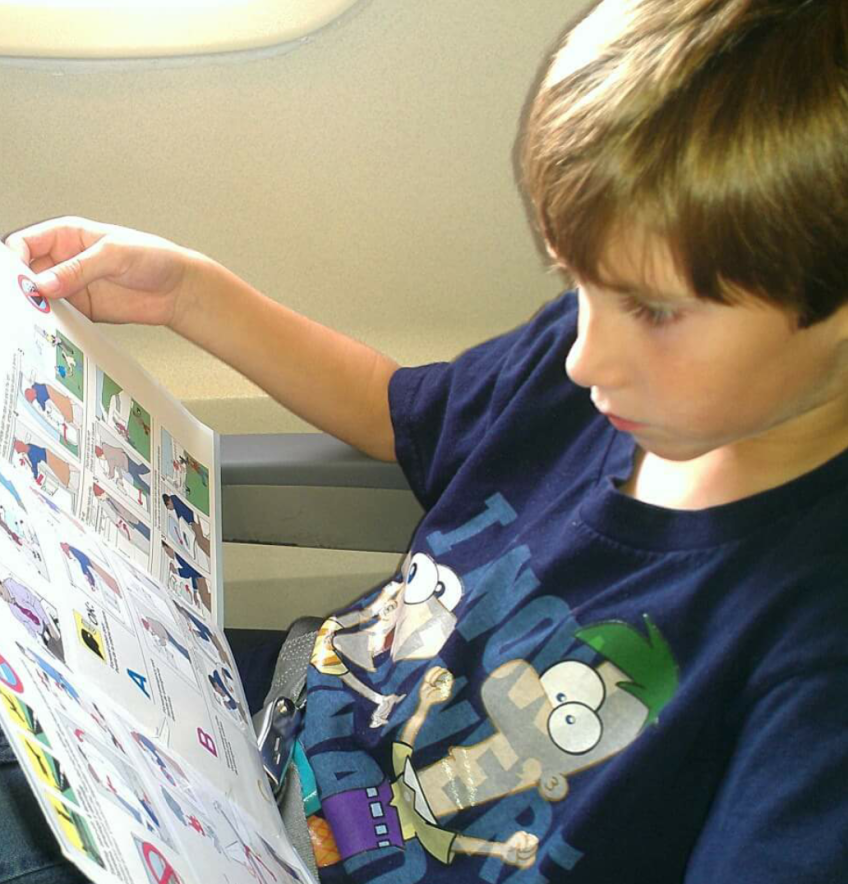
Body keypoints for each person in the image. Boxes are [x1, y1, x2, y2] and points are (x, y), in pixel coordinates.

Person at [2, 0, 847, 881]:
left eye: (657, 312)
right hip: (252, 731)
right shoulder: (585, 373)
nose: (585, 357)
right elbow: (394, 411)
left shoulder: (817, 659)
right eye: (579, 284)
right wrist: (186, 294)